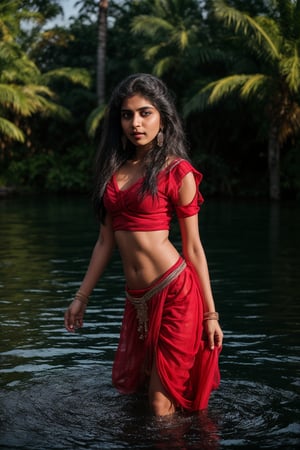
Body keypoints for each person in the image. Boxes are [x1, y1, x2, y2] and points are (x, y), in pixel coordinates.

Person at [64, 73, 223, 417]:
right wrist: (81, 297)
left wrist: (211, 314)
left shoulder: (176, 171)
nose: (135, 123)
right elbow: (105, 241)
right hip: (137, 301)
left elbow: (193, 248)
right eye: (127, 114)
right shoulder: (113, 170)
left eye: (145, 113)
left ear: (162, 117)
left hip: (177, 294)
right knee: (138, 395)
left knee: (158, 403)